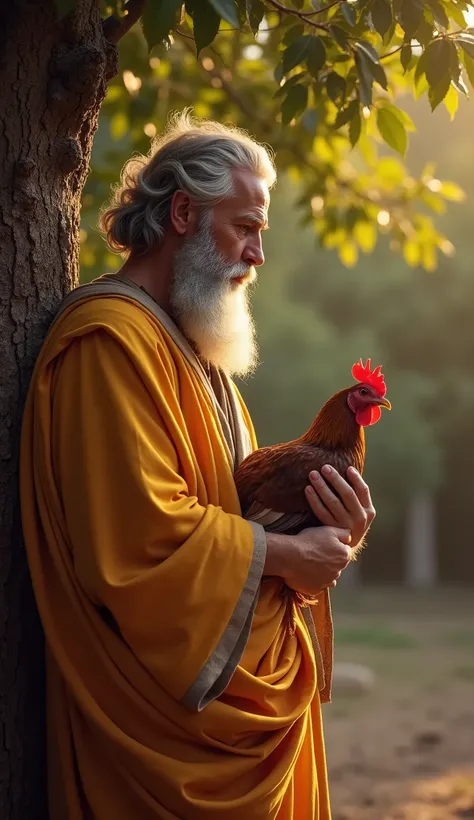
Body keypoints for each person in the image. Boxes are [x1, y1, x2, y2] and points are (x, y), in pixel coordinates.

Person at [20, 112, 375, 820]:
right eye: (245, 226)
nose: (259, 254)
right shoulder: (109, 344)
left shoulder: (197, 358)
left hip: (235, 705)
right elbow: (134, 542)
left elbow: (239, 525)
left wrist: (329, 530)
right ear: (182, 211)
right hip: (158, 732)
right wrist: (286, 556)